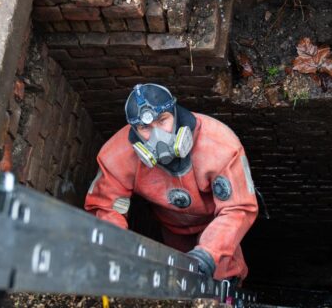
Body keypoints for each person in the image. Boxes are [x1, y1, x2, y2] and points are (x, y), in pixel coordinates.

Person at [84, 83, 258, 282]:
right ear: (133, 129)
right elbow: (104, 207)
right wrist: (116, 249)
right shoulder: (117, 156)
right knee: (179, 272)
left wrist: (208, 253)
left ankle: (233, 284)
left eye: (162, 120)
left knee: (223, 271)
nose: (158, 135)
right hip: (172, 229)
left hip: (217, 224)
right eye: (145, 127)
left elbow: (238, 208)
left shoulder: (219, 145)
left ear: (175, 114)